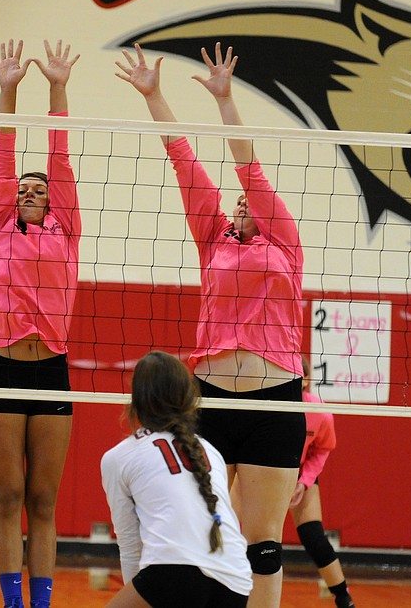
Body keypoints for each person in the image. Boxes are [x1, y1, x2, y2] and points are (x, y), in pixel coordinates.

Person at [116, 42, 305, 608]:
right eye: (239, 201)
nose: (244, 203)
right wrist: (153, 95)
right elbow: (183, 160)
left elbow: (247, 164)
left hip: (274, 403)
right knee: (200, 532)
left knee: (262, 544)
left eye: (252, 200)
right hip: (211, 402)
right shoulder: (213, 239)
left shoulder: (283, 242)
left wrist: (225, 100)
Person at [0, 38, 81, 608]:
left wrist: (57, 87)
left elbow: (59, 157)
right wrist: (8, 89)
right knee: (8, 496)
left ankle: (41, 604)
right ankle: (12, 602)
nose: (31, 192)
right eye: (23, 189)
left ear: (53, 201)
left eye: (40, 190)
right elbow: (4, 153)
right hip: (2, 371)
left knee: (43, 500)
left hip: (52, 373)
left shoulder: (66, 230)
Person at [101, 351, 252, 607]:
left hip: (172, 571)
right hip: (236, 579)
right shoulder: (210, 451)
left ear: (137, 398)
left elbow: (130, 543)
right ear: (186, 397)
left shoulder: (119, 457)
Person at [290, 357, 355, 608]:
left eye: (299, 376)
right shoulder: (267, 406)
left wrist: (304, 481)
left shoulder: (319, 411)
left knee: (313, 536)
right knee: (253, 537)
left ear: (306, 380)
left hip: (299, 473)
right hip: (264, 471)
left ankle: (344, 598)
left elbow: (323, 448)